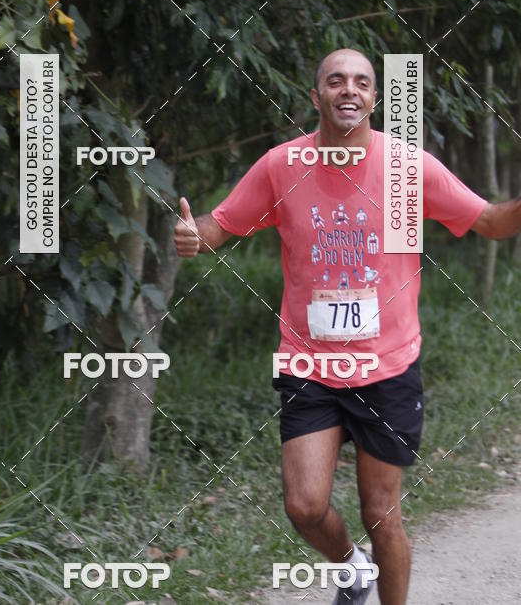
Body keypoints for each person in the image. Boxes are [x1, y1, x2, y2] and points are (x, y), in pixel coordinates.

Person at [173, 48, 521, 604]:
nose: (348, 91)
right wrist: (195, 235)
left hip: (388, 366)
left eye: (361, 82)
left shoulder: (408, 168)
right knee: (304, 506)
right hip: (309, 363)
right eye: (335, 81)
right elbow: (221, 223)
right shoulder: (282, 166)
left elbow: (491, 221)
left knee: (381, 513)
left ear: (375, 99)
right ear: (316, 97)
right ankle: (351, 569)